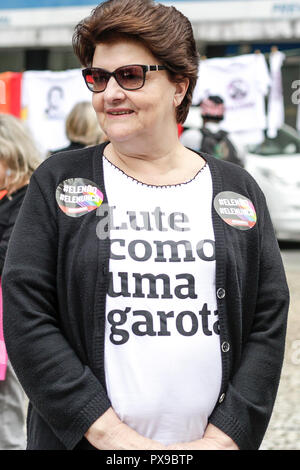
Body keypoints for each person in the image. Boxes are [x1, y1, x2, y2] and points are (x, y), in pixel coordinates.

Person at [2, 0, 289, 451]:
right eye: (98, 77)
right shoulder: (59, 180)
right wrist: (108, 434)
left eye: (131, 75)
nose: (110, 92)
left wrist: (228, 435)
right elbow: (26, 311)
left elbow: (267, 318)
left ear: (180, 85)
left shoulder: (235, 187)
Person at [0, 113, 41, 450]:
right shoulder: (8, 196)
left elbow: (11, 260)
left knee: (11, 410)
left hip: (12, 320)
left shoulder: (26, 197)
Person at [180, 95, 243, 166]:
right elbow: (242, 163)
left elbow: (179, 160)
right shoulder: (234, 138)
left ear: (202, 114)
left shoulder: (190, 135)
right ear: (222, 116)